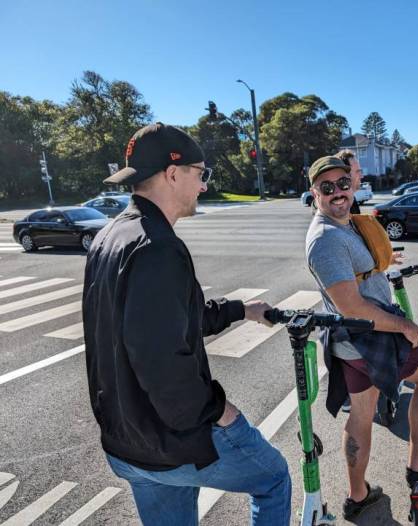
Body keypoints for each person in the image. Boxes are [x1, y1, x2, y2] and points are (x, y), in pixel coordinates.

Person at [82, 123, 291, 526]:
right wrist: (217, 411)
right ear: (173, 173)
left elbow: (172, 317)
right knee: (273, 479)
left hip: (127, 441)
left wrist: (240, 310)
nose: (204, 186)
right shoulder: (157, 246)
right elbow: (160, 358)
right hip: (172, 443)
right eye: (201, 173)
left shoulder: (111, 235)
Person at [304, 156, 418, 521]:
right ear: (314, 194)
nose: (338, 192)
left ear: (352, 183)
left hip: (353, 343)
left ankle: (358, 496)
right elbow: (351, 304)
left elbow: (361, 276)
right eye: (327, 188)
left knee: (361, 415)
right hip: (373, 337)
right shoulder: (325, 239)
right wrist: (404, 327)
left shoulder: (347, 225)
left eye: (343, 183)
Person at [335, 149, 362, 214]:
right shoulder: (338, 206)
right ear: (346, 175)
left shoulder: (351, 200)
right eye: (357, 171)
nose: (361, 176)